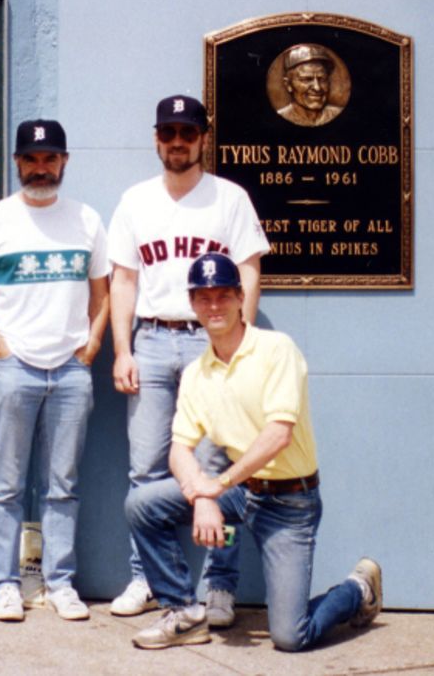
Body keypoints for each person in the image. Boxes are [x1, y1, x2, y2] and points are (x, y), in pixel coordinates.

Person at [126, 253, 382, 650]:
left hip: (290, 501)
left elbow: (278, 435)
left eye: (224, 296)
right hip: (241, 493)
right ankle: (184, 612)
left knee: (291, 637)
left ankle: (357, 589)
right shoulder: (197, 372)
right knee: (142, 503)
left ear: (241, 297)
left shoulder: (276, 349)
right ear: (192, 304)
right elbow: (179, 449)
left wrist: (216, 486)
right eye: (204, 298)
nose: (214, 306)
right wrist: (201, 492)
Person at [107, 95, 269, 626]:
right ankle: (150, 579)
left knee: (218, 466)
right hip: (152, 340)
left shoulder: (229, 198)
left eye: (188, 132)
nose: (179, 141)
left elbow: (247, 271)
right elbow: (124, 279)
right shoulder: (135, 201)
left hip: (210, 340)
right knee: (146, 468)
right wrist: (123, 349)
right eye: (169, 132)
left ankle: (219, 586)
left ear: (204, 138)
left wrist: (236, 341)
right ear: (157, 138)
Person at [0, 119, 111, 623]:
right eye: (31, 159)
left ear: (64, 162)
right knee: (6, 485)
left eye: (50, 159)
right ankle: (4, 584)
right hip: (13, 369)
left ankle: (60, 583)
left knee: (63, 484)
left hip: (69, 371)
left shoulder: (86, 220)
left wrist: (90, 349)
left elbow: (103, 294)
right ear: (17, 162)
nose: (41, 168)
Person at [275, 44, 345, 127]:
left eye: (322, 79)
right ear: (288, 85)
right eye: (307, 79)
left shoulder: (337, 114)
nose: (317, 87)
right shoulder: (282, 116)